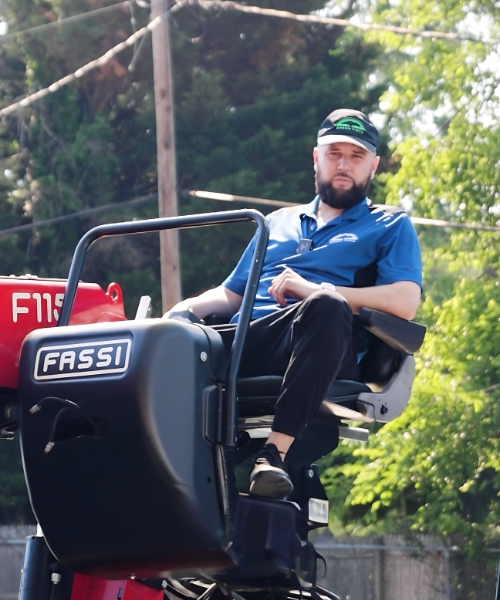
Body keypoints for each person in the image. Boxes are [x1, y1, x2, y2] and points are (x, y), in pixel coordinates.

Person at [165, 109, 422, 500]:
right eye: (334, 153)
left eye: (356, 156)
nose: (343, 164)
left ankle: (273, 454)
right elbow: (230, 295)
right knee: (169, 341)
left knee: (327, 305)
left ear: (373, 166)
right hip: (252, 339)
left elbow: (405, 301)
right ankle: (148, 475)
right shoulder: (275, 223)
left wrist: (315, 289)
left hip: (322, 343)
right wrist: (179, 314)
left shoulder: (387, 225)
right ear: (316, 158)